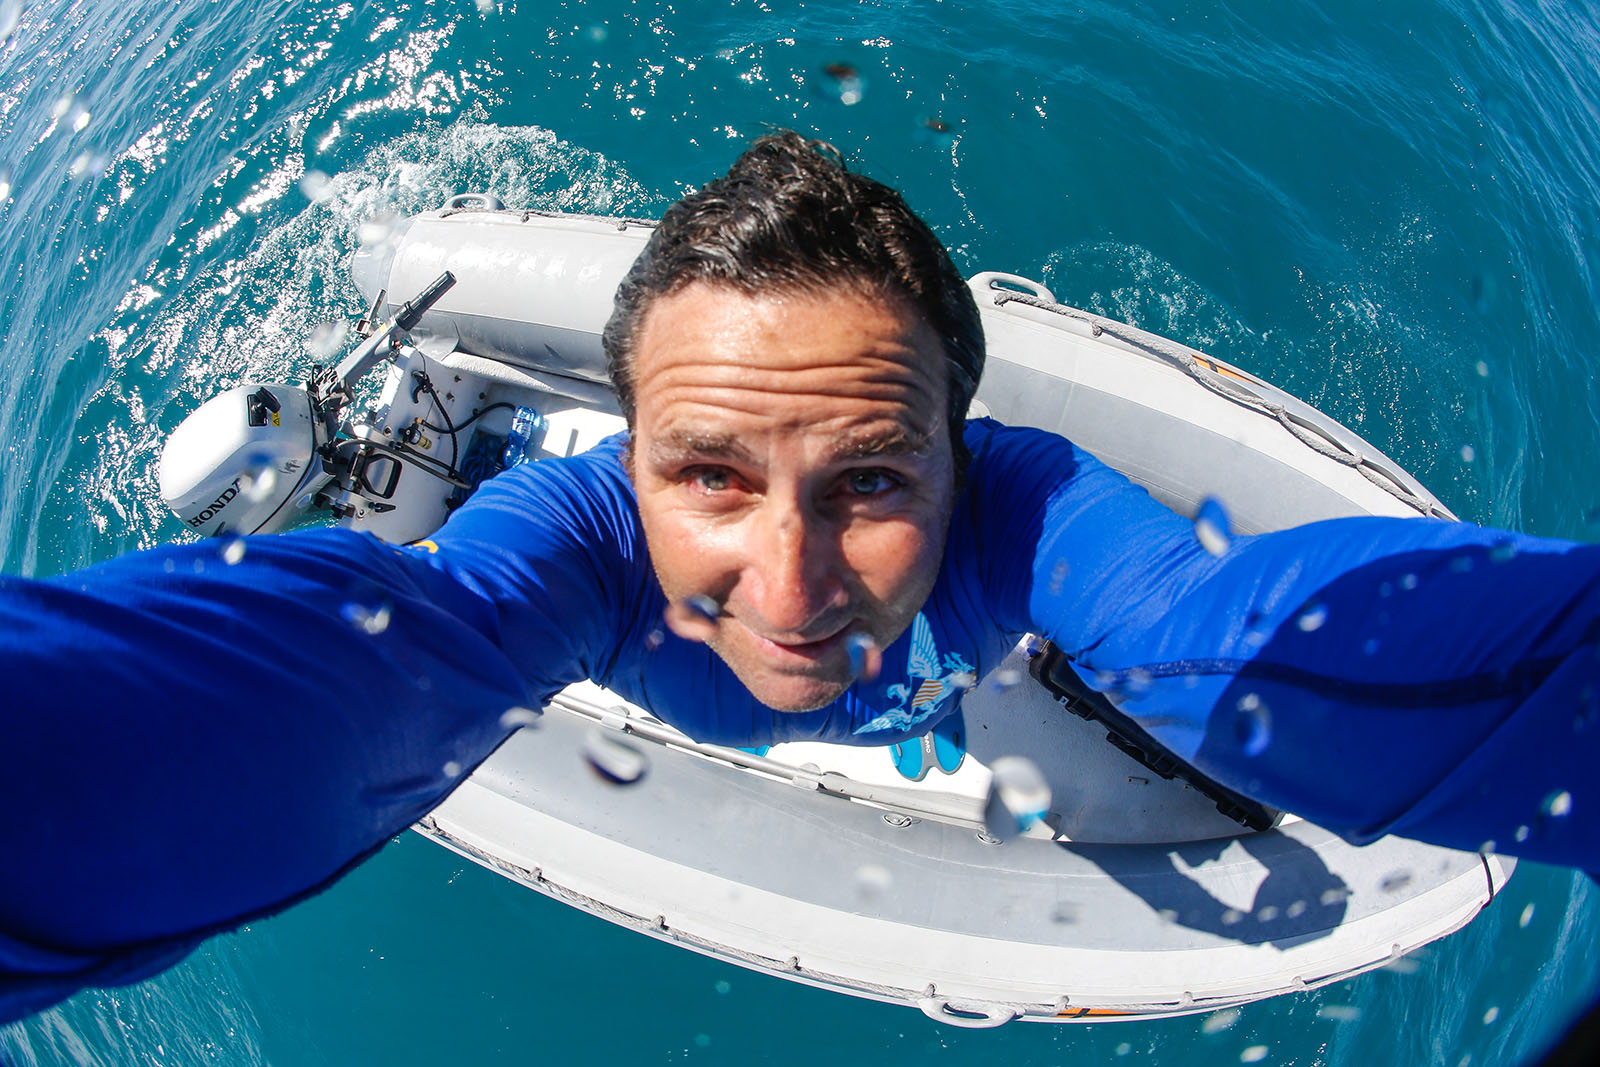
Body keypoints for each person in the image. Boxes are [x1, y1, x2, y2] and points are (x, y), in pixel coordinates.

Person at [3, 131, 1598, 1024]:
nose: (786, 587)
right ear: (629, 455)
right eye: (707, 474)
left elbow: (1232, 641)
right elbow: (385, 663)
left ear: (957, 451)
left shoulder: (1021, 514)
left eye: (871, 482)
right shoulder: (577, 551)